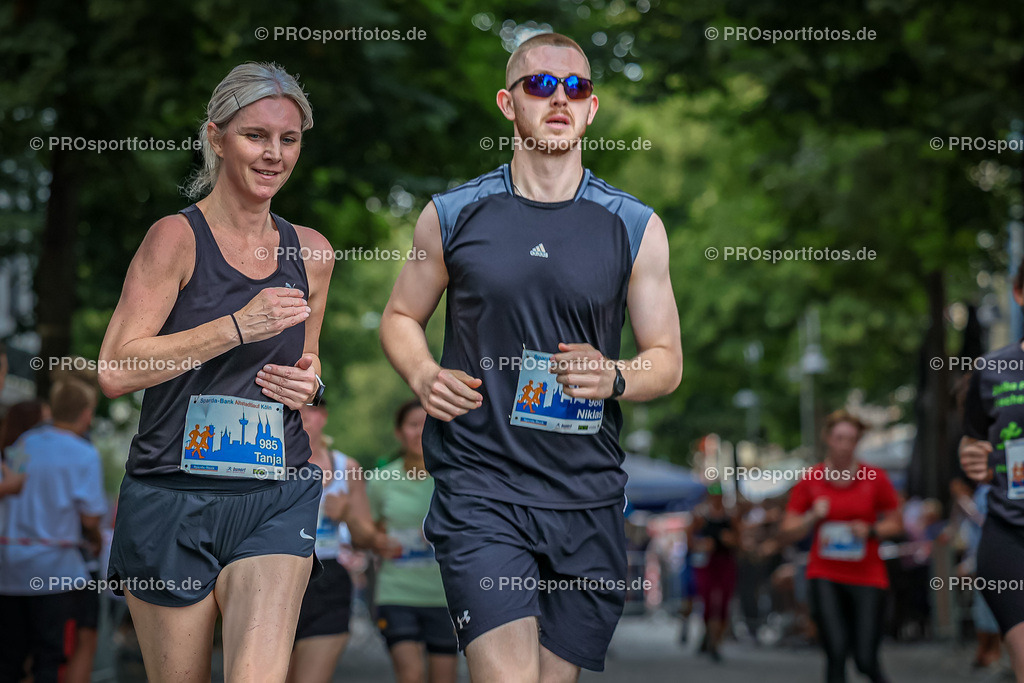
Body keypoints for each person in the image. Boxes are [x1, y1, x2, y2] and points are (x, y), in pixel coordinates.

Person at [379, 32, 682, 681]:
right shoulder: (453, 215)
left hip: (586, 496)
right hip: (481, 488)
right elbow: (401, 316)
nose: (559, 98)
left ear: (592, 108)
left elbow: (667, 359)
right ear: (507, 102)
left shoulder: (633, 225)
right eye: (540, 84)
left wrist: (617, 375)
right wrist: (423, 372)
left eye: (575, 86)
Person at [97, 62, 333, 682]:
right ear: (217, 137)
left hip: (275, 492)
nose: (273, 153)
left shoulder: (311, 252)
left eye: (289, 139)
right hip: (171, 493)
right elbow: (117, 369)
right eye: (256, 136)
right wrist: (234, 327)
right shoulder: (174, 239)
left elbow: (307, 363)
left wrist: (311, 385)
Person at [780, 409, 902, 683]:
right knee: (835, 652)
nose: (844, 446)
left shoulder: (874, 477)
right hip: (825, 574)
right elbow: (787, 529)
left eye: (851, 440)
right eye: (839, 438)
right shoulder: (811, 478)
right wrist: (812, 516)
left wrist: (870, 530)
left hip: (868, 575)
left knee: (865, 660)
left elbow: (896, 522)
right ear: (827, 438)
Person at [0, 377, 107, 683]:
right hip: (53, 571)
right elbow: (90, 518)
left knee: (9, 657)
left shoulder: (23, 444)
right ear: (86, 414)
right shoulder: (84, 453)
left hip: (10, 567)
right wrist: (97, 539)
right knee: (49, 657)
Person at [287, 403, 399, 683]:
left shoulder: (346, 468)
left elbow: (363, 540)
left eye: (308, 408)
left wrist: (348, 513)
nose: (300, 415)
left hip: (327, 579)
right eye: (291, 409)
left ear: (323, 416)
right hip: (278, 575)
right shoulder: (269, 462)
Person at [960, 258, 1024, 682]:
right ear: (1019, 294)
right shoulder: (991, 370)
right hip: (1010, 537)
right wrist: (971, 456)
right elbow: (971, 440)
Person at [368, 400, 457, 683]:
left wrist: (440, 531)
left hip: (444, 597)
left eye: (427, 425)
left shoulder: (453, 479)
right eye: (412, 425)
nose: (420, 432)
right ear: (399, 432)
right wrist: (376, 540)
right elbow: (367, 534)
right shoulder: (381, 480)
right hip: (396, 594)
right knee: (411, 675)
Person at [690, 483, 738, 661]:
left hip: (725, 562)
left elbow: (739, 540)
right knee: (708, 601)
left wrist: (731, 540)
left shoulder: (731, 516)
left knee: (724, 601)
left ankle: (715, 642)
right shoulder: (700, 516)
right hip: (706, 563)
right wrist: (701, 545)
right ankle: (710, 638)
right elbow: (689, 540)